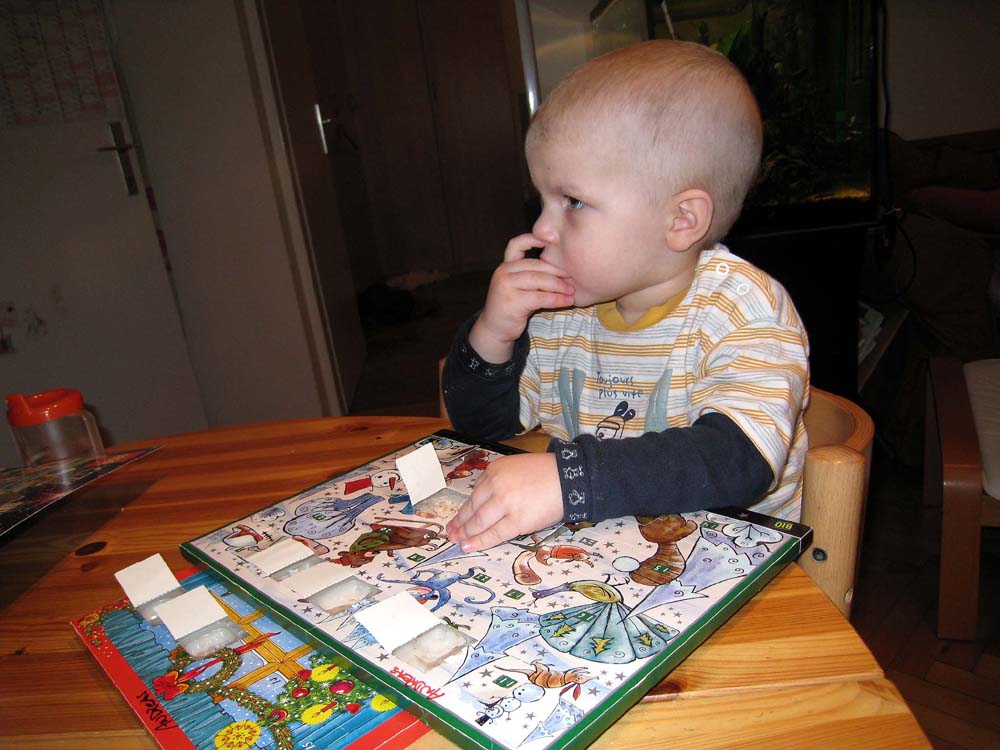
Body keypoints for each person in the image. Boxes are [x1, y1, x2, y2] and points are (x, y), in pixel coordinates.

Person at [442, 39, 809, 553]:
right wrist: (494, 334)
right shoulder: (561, 311)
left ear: (681, 220)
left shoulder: (743, 307)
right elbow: (484, 428)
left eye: (573, 202)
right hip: (603, 552)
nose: (541, 228)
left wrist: (570, 480)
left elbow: (739, 459)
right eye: (542, 200)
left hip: (733, 562)